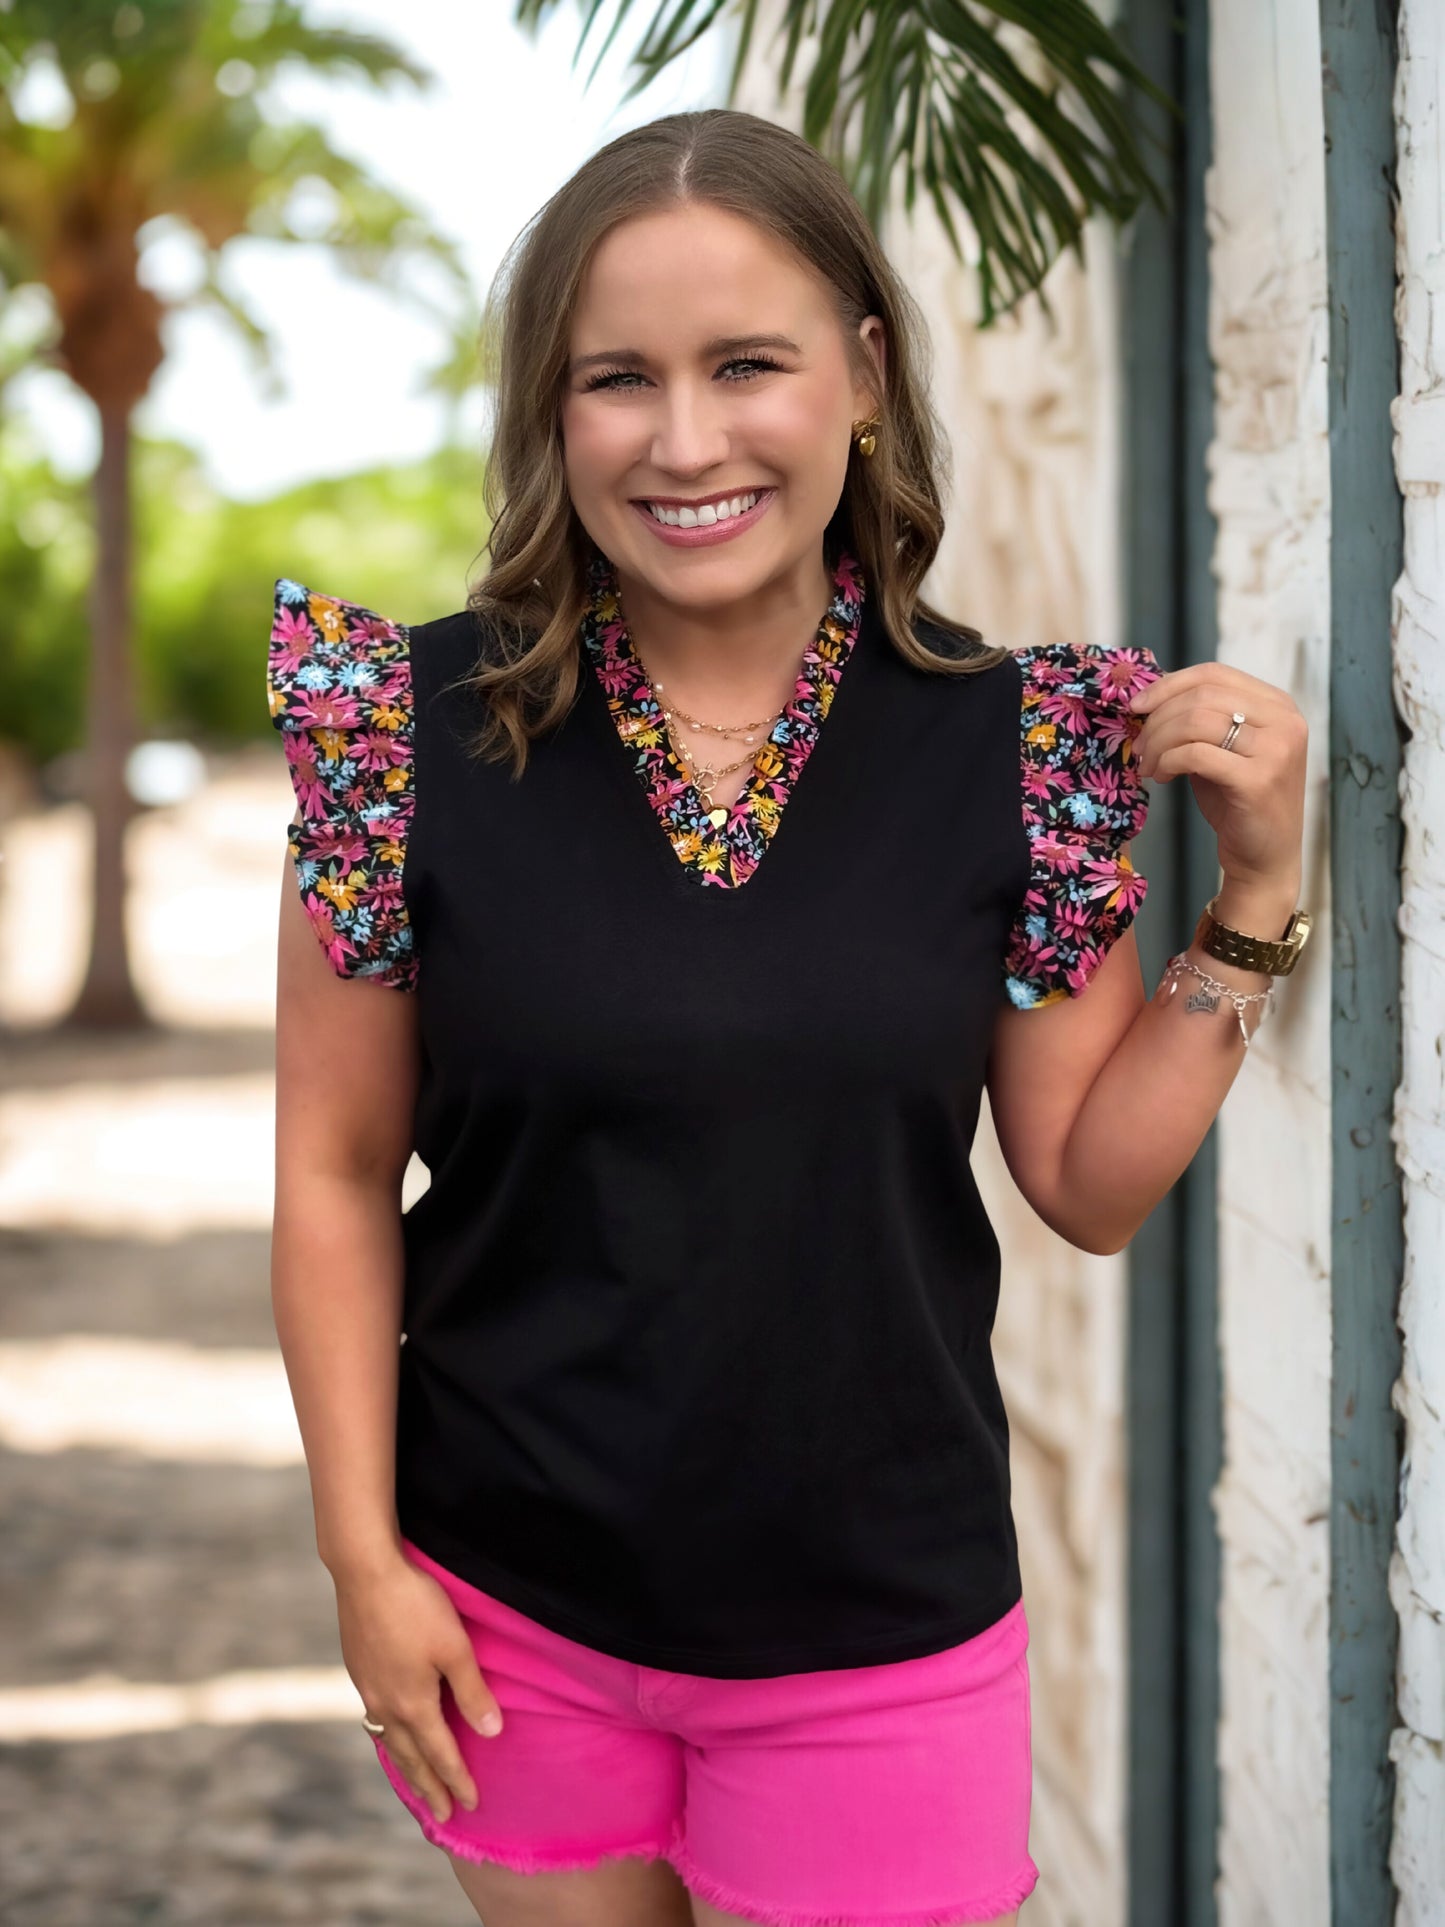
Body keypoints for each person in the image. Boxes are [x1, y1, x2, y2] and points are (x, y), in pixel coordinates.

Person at [266, 107, 1310, 1927]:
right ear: (551, 410)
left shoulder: (1020, 747)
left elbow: (1084, 1180)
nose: (684, 442)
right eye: (616, 380)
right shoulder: (398, 738)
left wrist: (1250, 909)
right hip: (511, 1610)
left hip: (877, 1629)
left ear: (864, 378)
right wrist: (364, 1561)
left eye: (746, 363)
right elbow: (336, 1169)